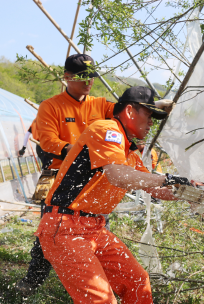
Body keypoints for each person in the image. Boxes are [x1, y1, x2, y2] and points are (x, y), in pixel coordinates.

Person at [16, 54, 173, 293]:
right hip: (56, 171)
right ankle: (33, 279)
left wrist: (157, 107)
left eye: (91, 77)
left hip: (94, 172)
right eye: (82, 78)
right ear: (67, 77)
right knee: (49, 229)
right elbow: (46, 140)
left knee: (95, 220)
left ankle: (93, 271)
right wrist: (75, 151)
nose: (88, 82)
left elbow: (126, 110)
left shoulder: (99, 105)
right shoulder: (51, 105)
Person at [35, 86, 191, 303]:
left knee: (137, 282)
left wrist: (189, 192)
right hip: (65, 227)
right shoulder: (106, 130)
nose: (151, 123)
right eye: (148, 116)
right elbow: (118, 176)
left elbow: (153, 188)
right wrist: (168, 178)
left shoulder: (128, 151)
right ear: (129, 112)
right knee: (102, 300)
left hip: (93, 228)